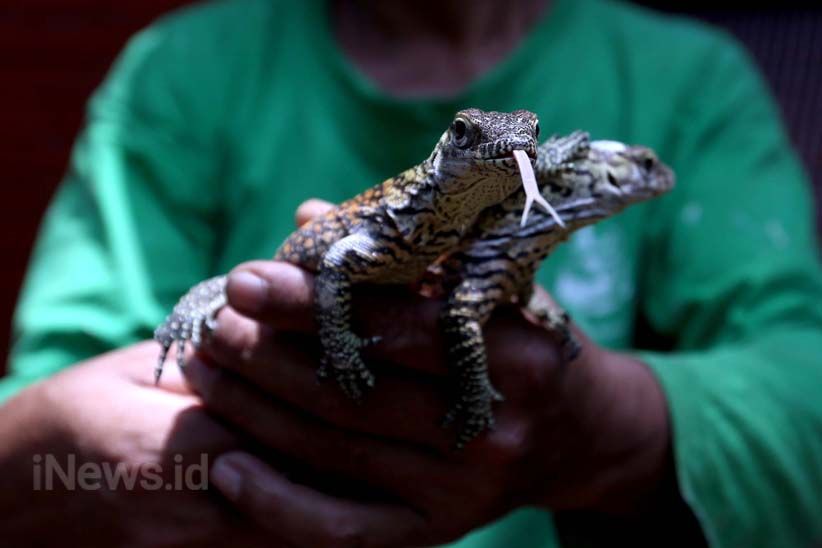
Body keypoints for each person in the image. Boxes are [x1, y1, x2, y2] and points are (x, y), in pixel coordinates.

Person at [1, 0, 821, 546]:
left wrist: (606, 425)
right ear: (450, 148)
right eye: (482, 140)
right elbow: (46, 405)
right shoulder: (180, 71)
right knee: (239, 292)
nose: (509, 152)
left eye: (522, 143)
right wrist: (57, 446)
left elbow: (801, 388)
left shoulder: (688, 81)